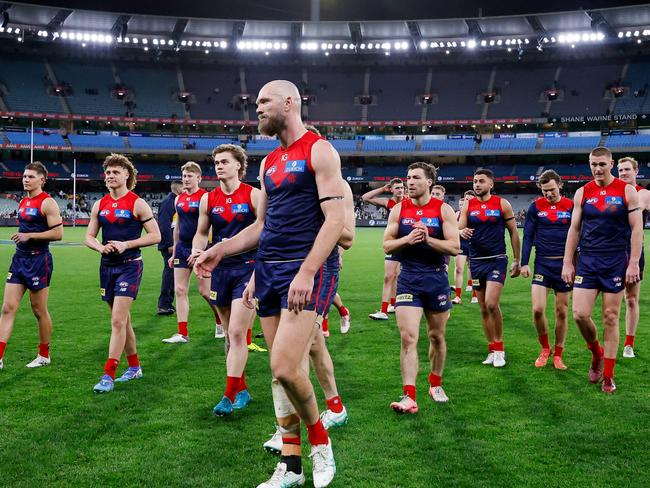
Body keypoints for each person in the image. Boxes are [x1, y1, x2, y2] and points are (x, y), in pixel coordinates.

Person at [195, 80, 342, 488]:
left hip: (306, 270)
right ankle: (291, 467)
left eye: (264, 101)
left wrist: (308, 272)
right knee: (281, 375)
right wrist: (221, 250)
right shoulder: (269, 162)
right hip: (271, 270)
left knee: (283, 364)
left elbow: (335, 222)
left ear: (290, 103)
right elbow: (263, 227)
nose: (256, 108)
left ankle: (321, 442)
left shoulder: (319, 150)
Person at [562, 147, 642, 393]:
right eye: (593, 164)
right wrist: (567, 261)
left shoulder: (626, 191)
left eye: (602, 164)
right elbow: (574, 229)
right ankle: (596, 352)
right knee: (579, 314)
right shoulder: (582, 192)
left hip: (615, 260)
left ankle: (608, 375)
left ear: (611, 163)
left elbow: (637, 229)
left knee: (610, 317)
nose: (597, 169)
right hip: (588, 260)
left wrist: (633, 263)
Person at [383, 162, 459, 413]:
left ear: (429, 182)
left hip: (436, 278)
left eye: (416, 177)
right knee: (408, 337)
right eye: (408, 177)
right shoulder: (399, 210)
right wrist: (407, 239)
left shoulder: (443, 210)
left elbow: (454, 247)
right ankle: (409, 396)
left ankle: (435, 383)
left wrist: (428, 239)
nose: (410, 181)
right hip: (409, 279)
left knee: (436, 336)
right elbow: (387, 245)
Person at [190, 144, 260, 415]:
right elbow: (201, 232)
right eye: (216, 162)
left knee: (237, 333)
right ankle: (241, 389)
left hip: (248, 268)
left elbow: (263, 232)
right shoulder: (208, 199)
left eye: (224, 162)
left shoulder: (253, 195)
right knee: (230, 338)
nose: (219, 166)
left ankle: (229, 395)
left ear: (238, 166)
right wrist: (198, 251)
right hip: (220, 270)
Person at [85, 154, 161, 393]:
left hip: (130, 265)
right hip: (107, 266)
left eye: (115, 172)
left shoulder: (137, 203)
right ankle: (135, 367)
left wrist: (126, 244)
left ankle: (108, 374)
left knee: (117, 320)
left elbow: (155, 235)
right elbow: (89, 236)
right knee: (123, 320)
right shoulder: (100, 204)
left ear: (127, 175)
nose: (110, 177)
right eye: (107, 173)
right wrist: (100, 247)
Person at [0, 162, 63, 370]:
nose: (25, 179)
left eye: (30, 177)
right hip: (19, 259)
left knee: (38, 310)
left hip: (39, 260)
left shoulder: (48, 203)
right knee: (8, 308)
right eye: (24, 176)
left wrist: (30, 235)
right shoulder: (23, 201)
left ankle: (44, 355)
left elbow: (58, 233)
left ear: (42, 180)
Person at [459, 168, 521, 368]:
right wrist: (462, 231)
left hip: (496, 259)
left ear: (491, 184)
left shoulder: (502, 204)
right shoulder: (469, 205)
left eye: (481, 181)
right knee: (484, 308)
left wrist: (517, 259)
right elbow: (458, 227)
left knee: (492, 304)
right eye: (475, 181)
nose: (477, 184)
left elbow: (513, 232)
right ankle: (491, 349)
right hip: (476, 262)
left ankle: (500, 349)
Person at [162, 162, 224, 343]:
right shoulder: (178, 199)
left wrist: (204, 250)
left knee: (205, 292)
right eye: (184, 176)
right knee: (180, 290)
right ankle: (183, 333)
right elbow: (178, 227)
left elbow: (211, 226)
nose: (186, 179)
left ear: (199, 178)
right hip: (182, 248)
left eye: (190, 176)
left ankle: (220, 321)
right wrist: (174, 252)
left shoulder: (206, 197)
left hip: (202, 249)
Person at [520, 170, 573, 370]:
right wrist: (524, 262)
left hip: (563, 266)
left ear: (559, 185)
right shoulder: (536, 207)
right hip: (542, 264)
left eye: (551, 190)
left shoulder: (570, 206)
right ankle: (545, 348)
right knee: (537, 310)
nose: (549, 194)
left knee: (561, 312)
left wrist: (575, 263)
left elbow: (577, 235)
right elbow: (528, 236)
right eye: (544, 191)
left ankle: (558, 353)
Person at [616, 156, 650, 358]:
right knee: (611, 302)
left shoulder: (643, 194)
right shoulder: (612, 192)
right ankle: (610, 341)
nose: (623, 173)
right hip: (611, 252)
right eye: (620, 170)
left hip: (634, 253)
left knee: (631, 299)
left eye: (627, 169)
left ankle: (628, 344)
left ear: (636, 171)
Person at [362, 178, 405, 320]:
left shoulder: (409, 202)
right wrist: (382, 189)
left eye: (401, 187)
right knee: (389, 277)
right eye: (397, 188)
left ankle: (394, 305)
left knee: (398, 276)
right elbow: (365, 197)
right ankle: (384, 310)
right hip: (393, 243)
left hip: (407, 243)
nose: (400, 190)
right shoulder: (388, 202)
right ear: (391, 189)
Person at [156, 181, 182, 315]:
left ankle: (167, 303)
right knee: (170, 273)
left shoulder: (175, 201)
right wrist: (170, 244)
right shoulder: (168, 202)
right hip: (169, 245)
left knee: (172, 274)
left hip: (172, 243)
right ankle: (163, 304)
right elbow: (164, 225)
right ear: (178, 188)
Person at [451, 191, 478, 305]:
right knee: (458, 269)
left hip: (475, 244)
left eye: (471, 199)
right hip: (461, 243)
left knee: (474, 270)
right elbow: (452, 230)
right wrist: (460, 231)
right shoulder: (458, 214)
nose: (468, 201)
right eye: (466, 199)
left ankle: (475, 295)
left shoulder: (477, 213)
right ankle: (458, 296)